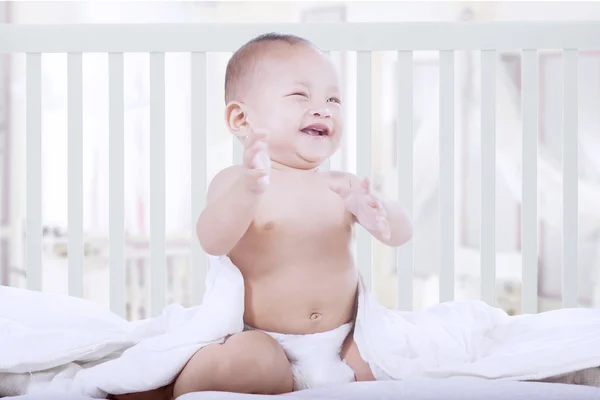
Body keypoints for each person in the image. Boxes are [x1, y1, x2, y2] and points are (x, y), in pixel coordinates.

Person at [111, 32, 412, 400]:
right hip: (263, 338)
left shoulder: (342, 186)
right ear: (241, 118)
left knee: (390, 364)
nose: (323, 109)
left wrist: (379, 213)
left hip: (341, 341)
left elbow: (401, 233)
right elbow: (212, 239)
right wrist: (249, 192)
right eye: (301, 95)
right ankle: (172, 387)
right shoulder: (239, 182)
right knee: (255, 365)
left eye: (333, 99)